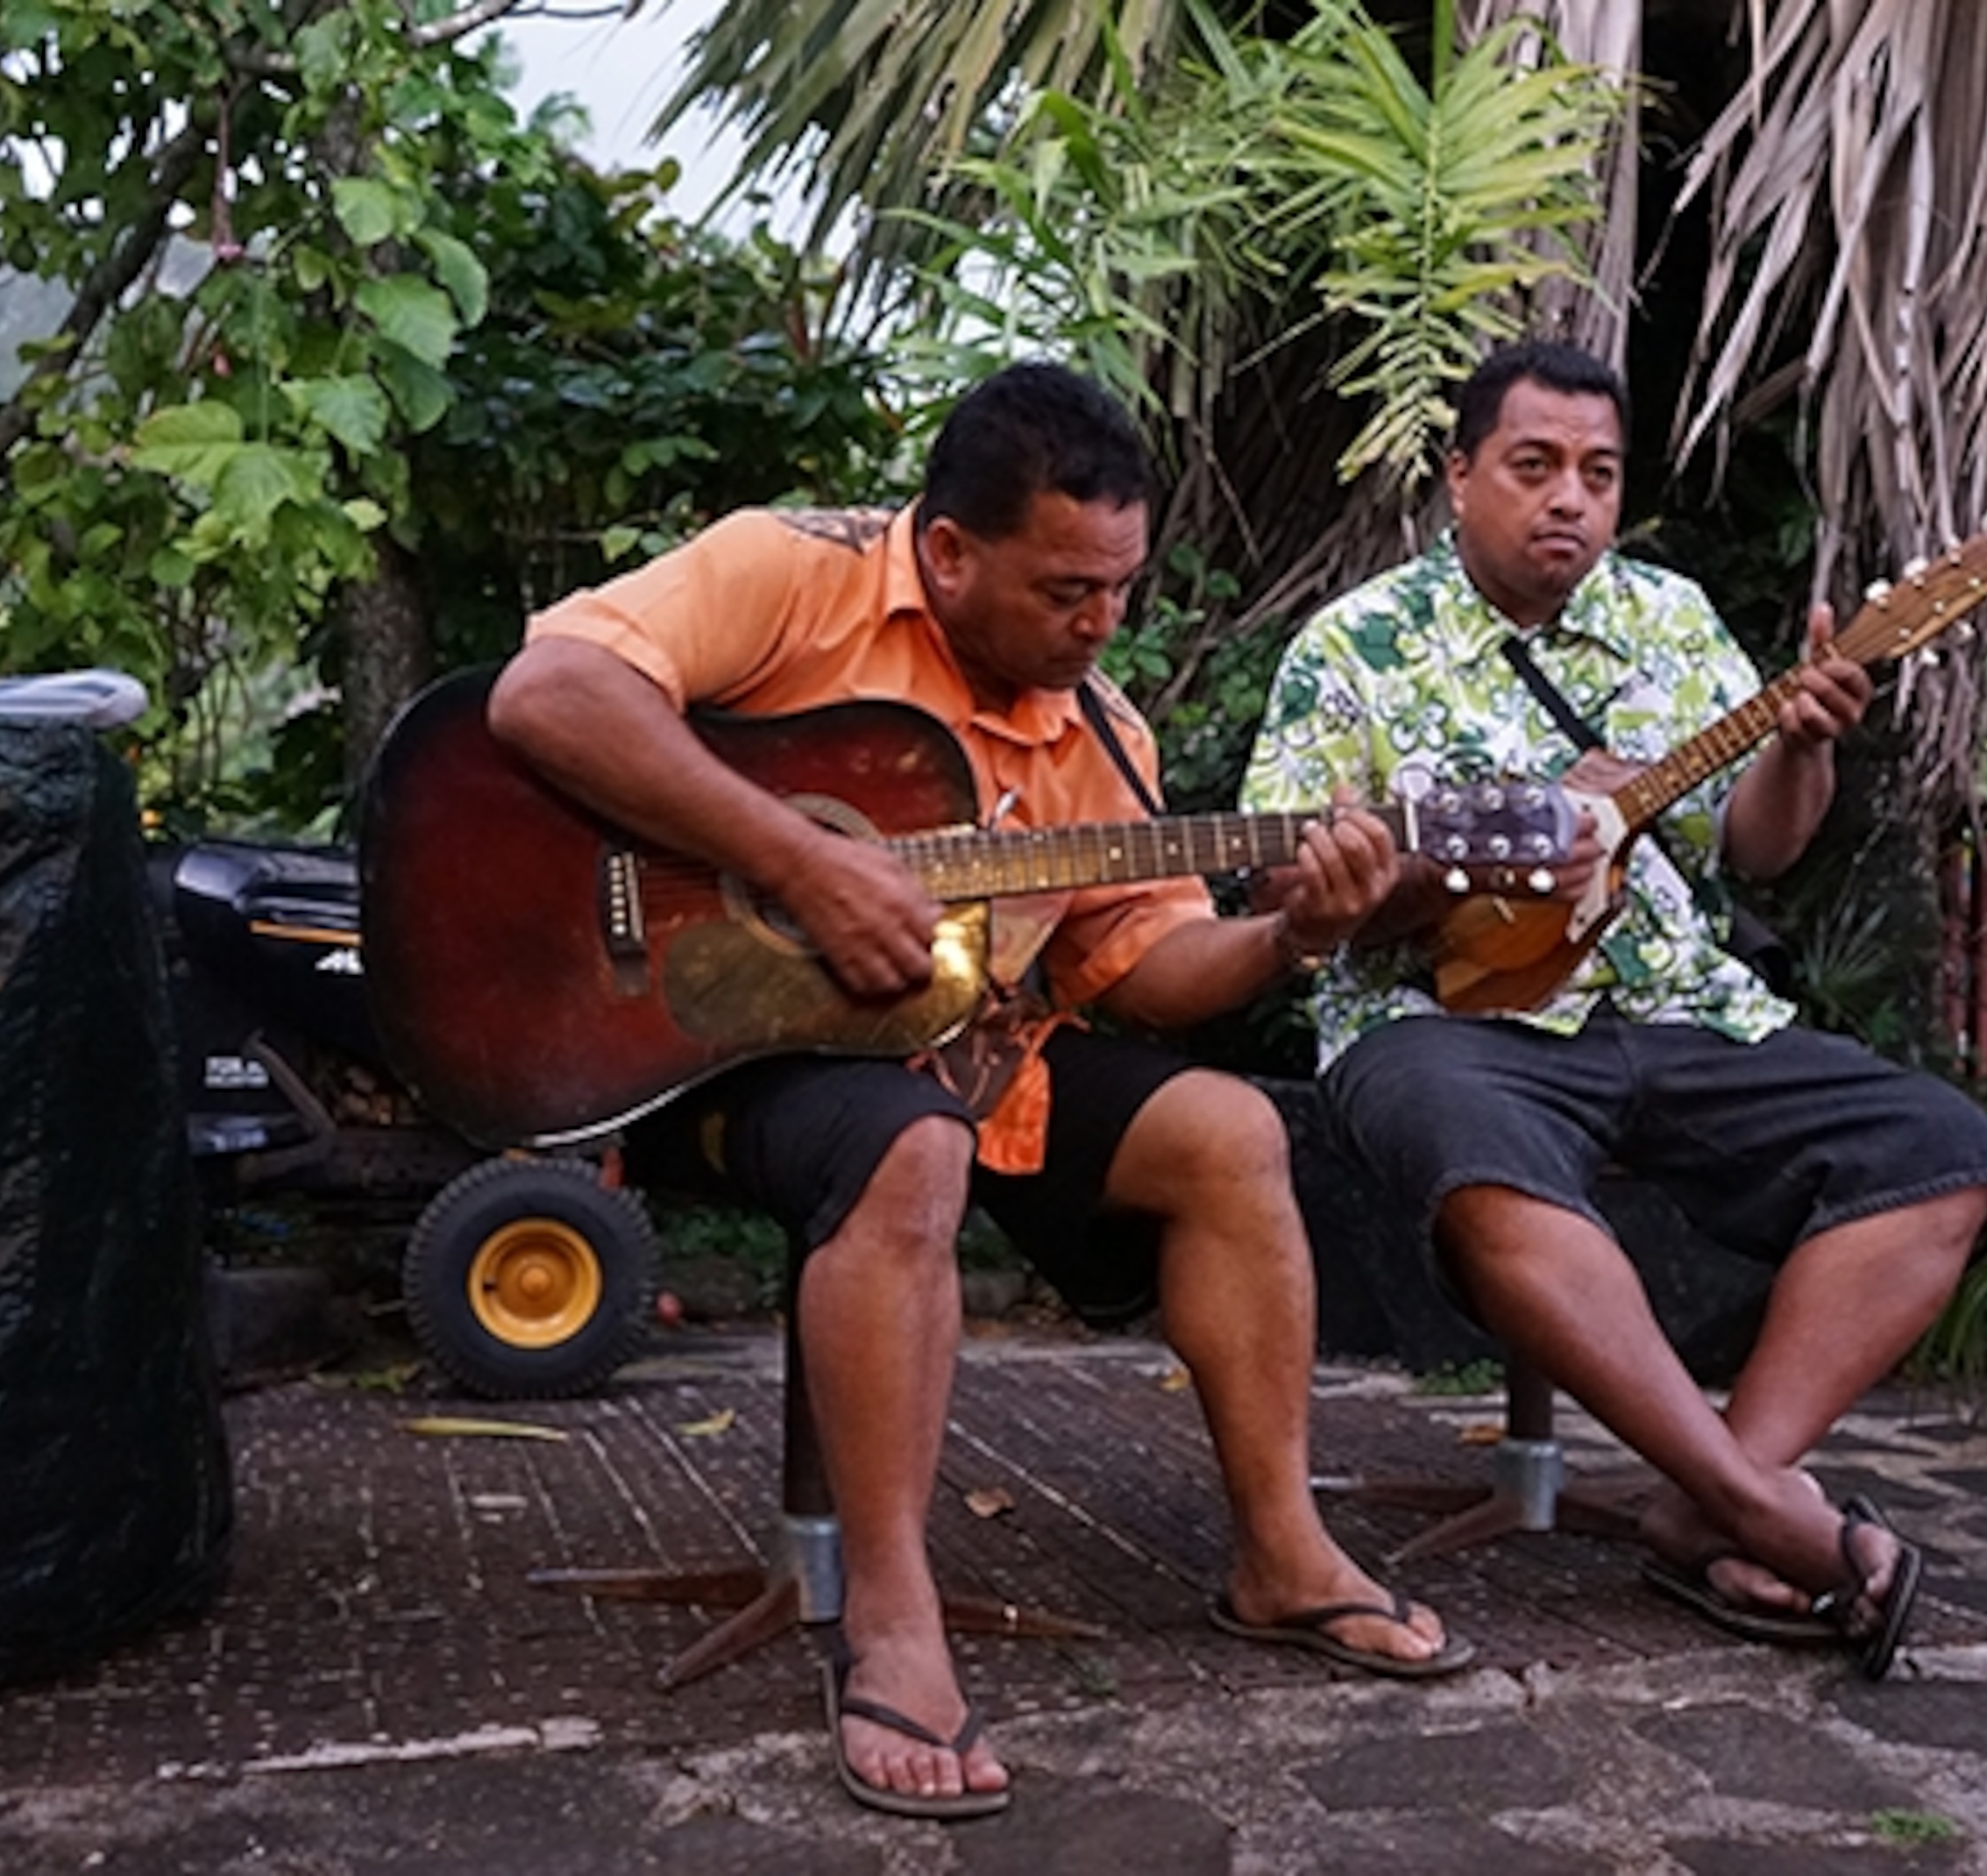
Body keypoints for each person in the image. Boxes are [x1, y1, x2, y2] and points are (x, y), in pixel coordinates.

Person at [490, 361, 1468, 1821]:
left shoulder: (1103, 736)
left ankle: (1281, 1550)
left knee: (1229, 1129)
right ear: (947, 551)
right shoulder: (788, 574)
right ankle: (891, 1611)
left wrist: (1295, 931)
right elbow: (547, 693)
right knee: (912, 1151)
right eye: (1067, 588)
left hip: (969, 1060)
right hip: (707, 1054)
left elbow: (1147, 970)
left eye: (1122, 590)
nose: (1101, 623)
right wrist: (805, 860)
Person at [1238, 339, 1987, 1678]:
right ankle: (1767, 1513)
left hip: (1677, 1006)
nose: (1571, 502)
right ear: (1460, 478)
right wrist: (1434, 870)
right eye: (1535, 467)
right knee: (1483, 1163)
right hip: (1443, 1022)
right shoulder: (1357, 647)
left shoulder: (1671, 620)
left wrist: (1803, 744)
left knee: (1938, 1156)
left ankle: (1712, 1497)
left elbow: (1760, 850)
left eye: (1599, 476)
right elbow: (1284, 886)